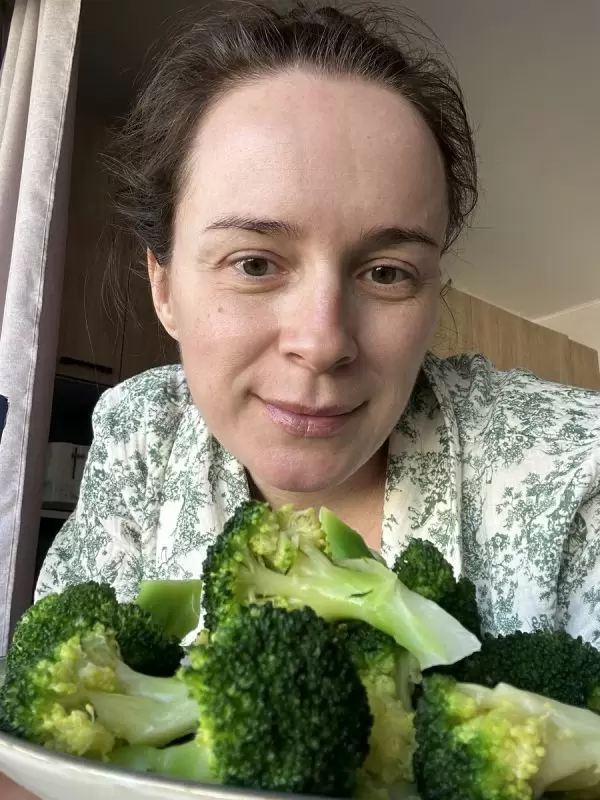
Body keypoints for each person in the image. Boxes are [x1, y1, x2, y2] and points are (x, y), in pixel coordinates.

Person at [3, 3, 600, 797]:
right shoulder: (142, 429)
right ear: (164, 285)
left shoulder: (573, 470)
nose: (322, 341)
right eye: (254, 262)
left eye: (386, 272)